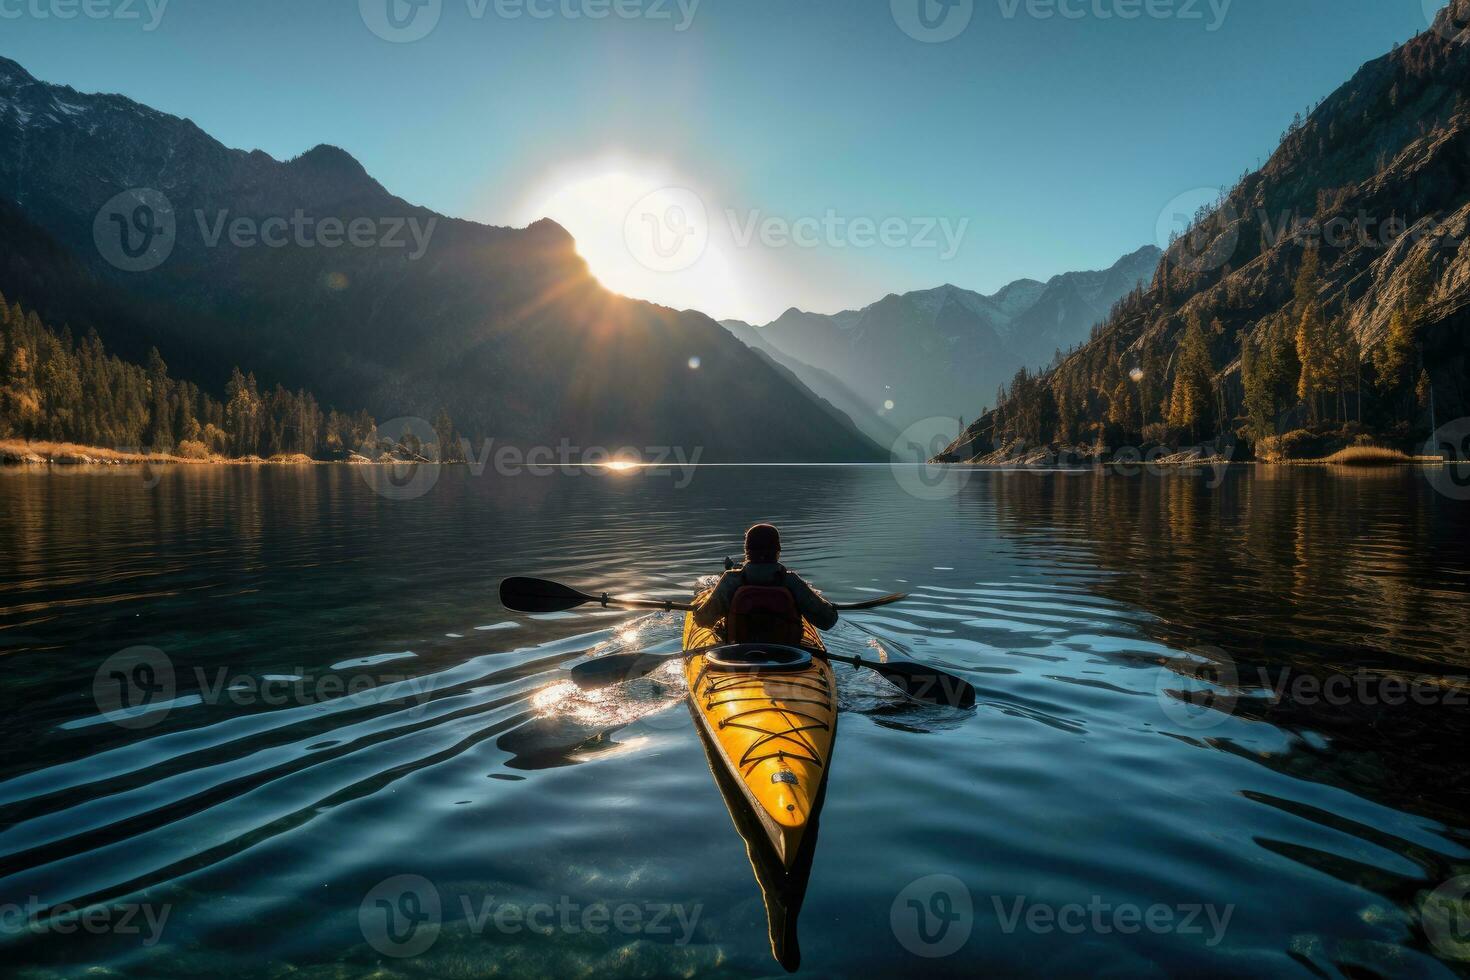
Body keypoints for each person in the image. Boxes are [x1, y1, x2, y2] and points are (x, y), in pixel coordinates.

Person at [693, 524, 838, 643]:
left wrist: (699, 607)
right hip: (788, 655)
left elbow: (703, 620)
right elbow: (827, 621)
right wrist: (829, 607)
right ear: (778, 551)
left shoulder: (731, 580)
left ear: (747, 551)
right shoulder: (791, 581)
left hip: (737, 650)